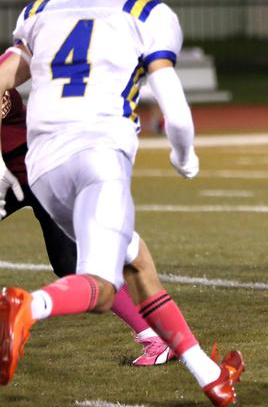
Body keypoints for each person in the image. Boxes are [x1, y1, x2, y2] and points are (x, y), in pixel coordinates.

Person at [0, 0, 243, 405]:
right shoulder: (147, 13)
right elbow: (173, 105)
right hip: (98, 158)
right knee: (103, 288)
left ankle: (211, 376)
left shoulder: (43, 9)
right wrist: (184, 153)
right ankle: (29, 307)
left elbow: (5, 78)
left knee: (137, 262)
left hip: (44, 168)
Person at [0, 88, 176, 367]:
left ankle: (154, 335)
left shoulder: (5, 81)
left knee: (74, 263)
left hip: (38, 177)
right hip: (17, 178)